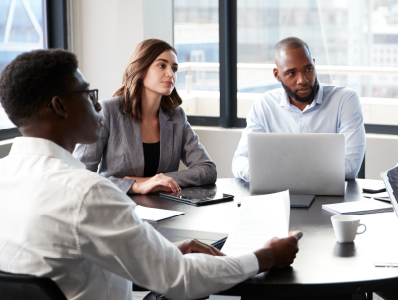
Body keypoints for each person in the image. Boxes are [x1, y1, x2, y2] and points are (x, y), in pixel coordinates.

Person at [0, 49, 302, 300]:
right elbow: (181, 279)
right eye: (87, 93)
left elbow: (72, 252)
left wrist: (164, 251)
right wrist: (265, 257)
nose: (96, 103)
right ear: (59, 106)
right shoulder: (87, 191)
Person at [73, 39, 215, 195]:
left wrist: (155, 180)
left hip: (166, 210)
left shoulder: (177, 116)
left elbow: (207, 170)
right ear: (141, 68)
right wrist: (135, 186)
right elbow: (80, 176)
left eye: (174, 68)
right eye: (162, 65)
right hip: (117, 208)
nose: (171, 73)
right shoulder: (107, 111)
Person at [232, 37, 366, 181]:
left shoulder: (344, 100)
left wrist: (273, 172)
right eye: (291, 73)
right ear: (277, 75)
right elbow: (240, 161)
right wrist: (256, 172)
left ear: (314, 65)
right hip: (278, 195)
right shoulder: (264, 105)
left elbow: (350, 167)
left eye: (308, 69)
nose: (302, 80)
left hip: (330, 199)